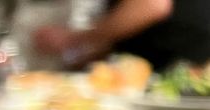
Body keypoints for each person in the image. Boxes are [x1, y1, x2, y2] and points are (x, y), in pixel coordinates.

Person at [34, 0, 210, 70]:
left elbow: (153, 5)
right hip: (160, 74)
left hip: (187, 69)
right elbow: (123, 29)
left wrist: (74, 38)